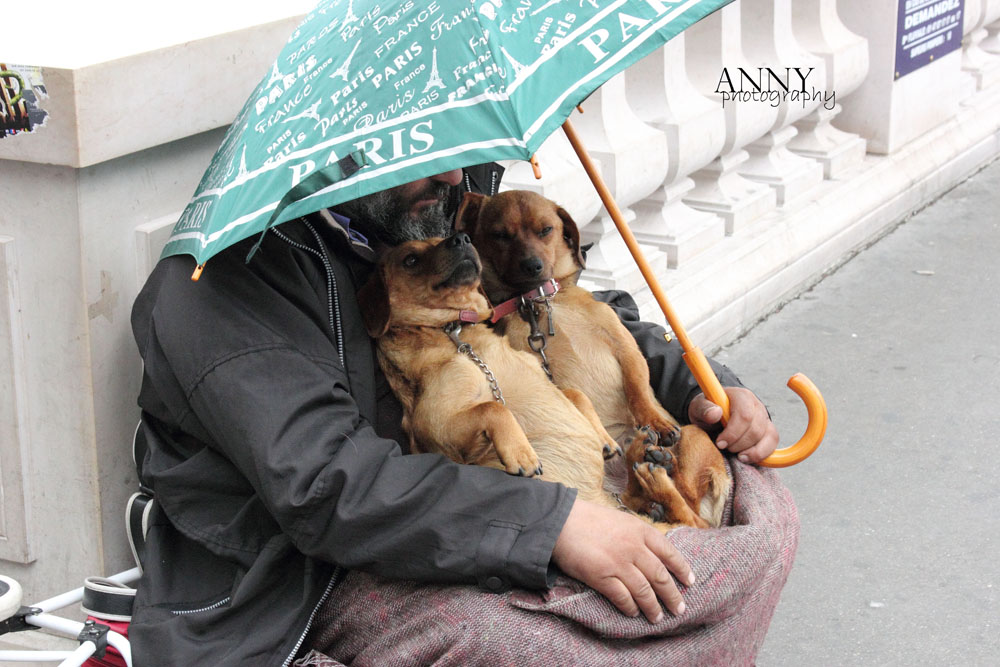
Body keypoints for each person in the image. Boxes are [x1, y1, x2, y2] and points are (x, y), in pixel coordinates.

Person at [129, 164, 784, 666]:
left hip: (494, 491)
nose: (450, 178)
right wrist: (551, 526)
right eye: (413, 156)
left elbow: (568, 308)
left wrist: (703, 383)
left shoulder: (436, 212)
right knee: (518, 644)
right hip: (305, 577)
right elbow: (327, 488)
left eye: (445, 149)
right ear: (334, 149)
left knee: (765, 510)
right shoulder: (222, 282)